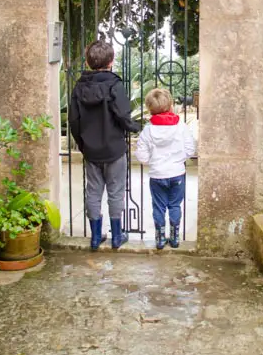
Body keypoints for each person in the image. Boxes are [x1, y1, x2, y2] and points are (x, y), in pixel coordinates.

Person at [69, 40, 140, 251]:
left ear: (89, 62)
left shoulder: (79, 87)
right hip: (114, 150)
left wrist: (83, 145)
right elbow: (122, 115)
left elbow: (74, 120)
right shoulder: (114, 85)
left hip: (91, 151)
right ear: (111, 61)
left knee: (93, 192)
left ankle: (95, 238)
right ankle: (117, 237)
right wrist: (134, 127)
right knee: (115, 192)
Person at [135, 88, 197, 250]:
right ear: (170, 105)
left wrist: (153, 161)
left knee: (159, 207)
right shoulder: (180, 126)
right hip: (177, 173)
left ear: (150, 108)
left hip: (157, 175)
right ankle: (175, 237)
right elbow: (190, 148)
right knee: (175, 205)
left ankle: (160, 238)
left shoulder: (148, 130)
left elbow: (141, 155)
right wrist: (179, 159)